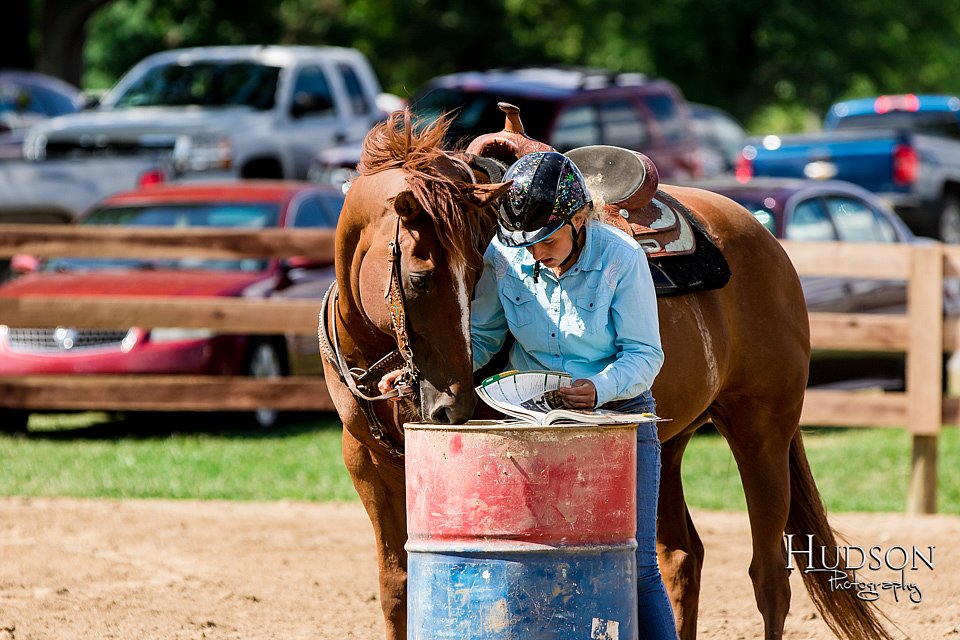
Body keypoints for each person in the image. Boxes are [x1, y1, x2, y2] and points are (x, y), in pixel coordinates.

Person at [381, 150, 676, 637]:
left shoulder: (622, 259)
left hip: (617, 415)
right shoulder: (506, 255)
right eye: (526, 244)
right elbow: (485, 337)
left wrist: (598, 388)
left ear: (579, 218)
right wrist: (416, 372)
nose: (536, 254)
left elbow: (645, 355)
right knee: (528, 557)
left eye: (547, 240)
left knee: (638, 562)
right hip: (529, 415)